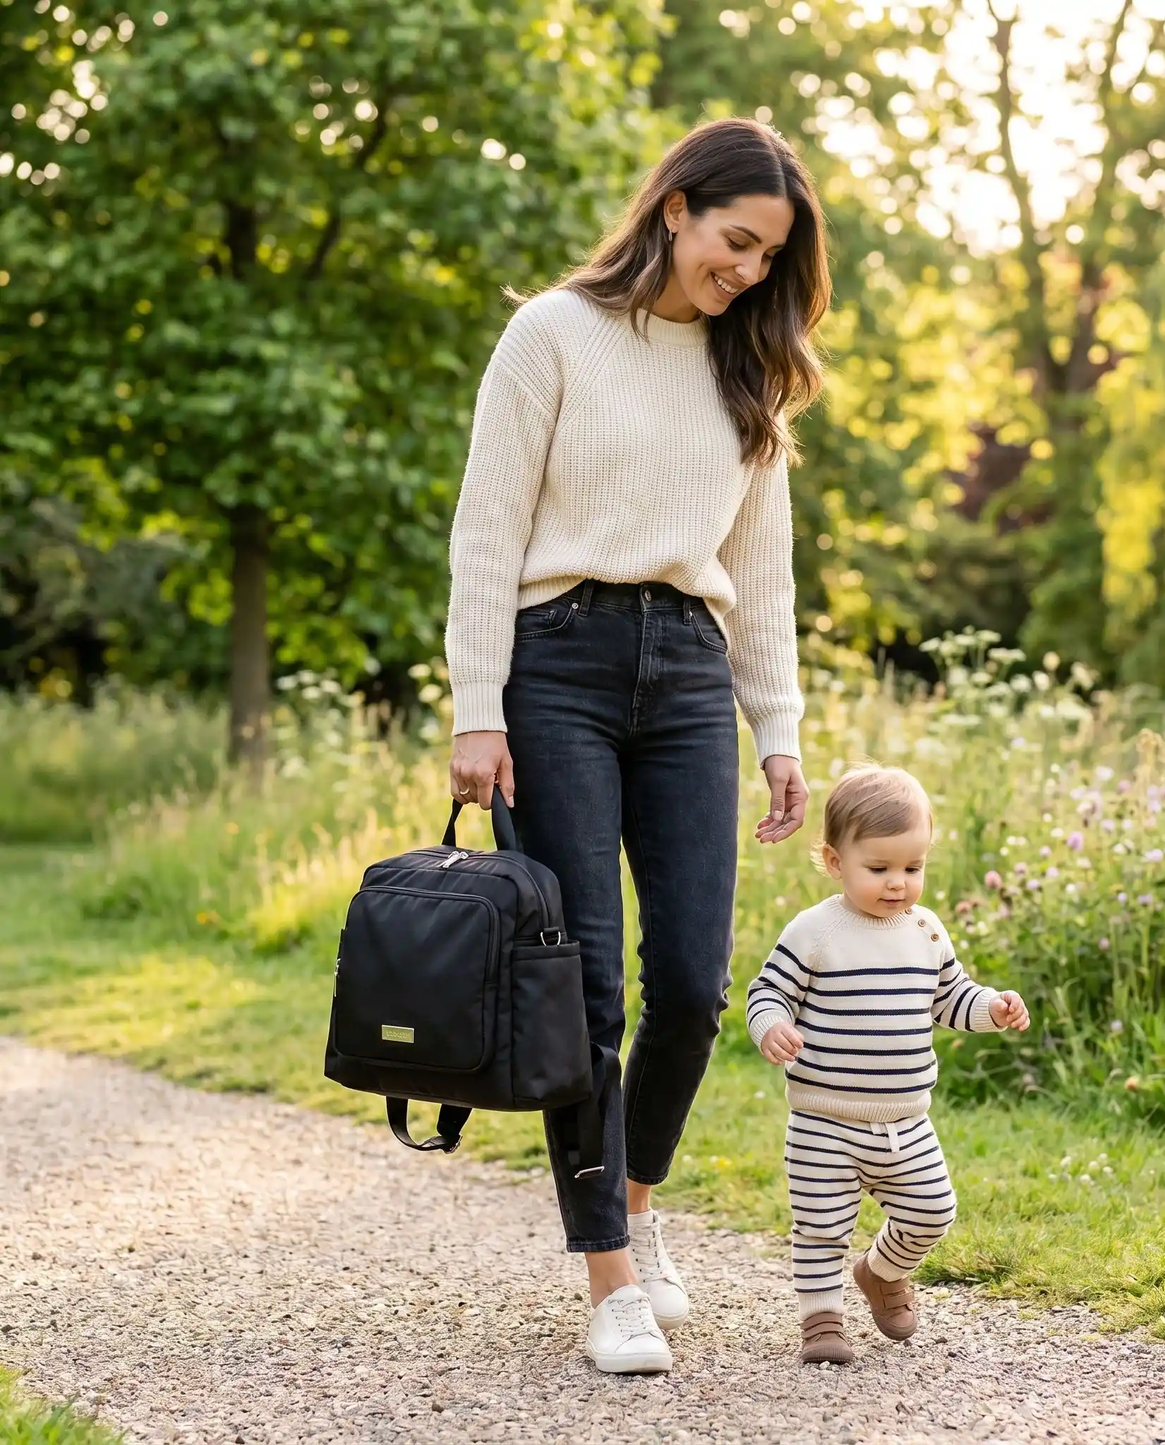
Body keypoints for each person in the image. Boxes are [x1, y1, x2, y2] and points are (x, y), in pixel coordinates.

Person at [444, 117, 830, 1375]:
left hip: (686, 674)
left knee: (695, 989)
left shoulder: (745, 372)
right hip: (554, 662)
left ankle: (638, 1202)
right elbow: (487, 531)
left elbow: (760, 574)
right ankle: (607, 1271)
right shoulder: (550, 333)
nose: (749, 271)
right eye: (736, 241)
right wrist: (475, 704)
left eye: (769, 256)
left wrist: (777, 727)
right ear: (674, 209)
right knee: (587, 982)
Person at [746, 764, 1031, 1364]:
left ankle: (880, 1271)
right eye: (879, 869)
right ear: (833, 861)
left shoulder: (926, 932)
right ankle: (821, 1319)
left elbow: (950, 999)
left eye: (913, 867)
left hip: (906, 1118)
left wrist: (993, 1009)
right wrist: (771, 1025)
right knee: (822, 1225)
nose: (898, 883)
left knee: (933, 1210)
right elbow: (765, 991)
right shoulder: (815, 932)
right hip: (824, 1119)